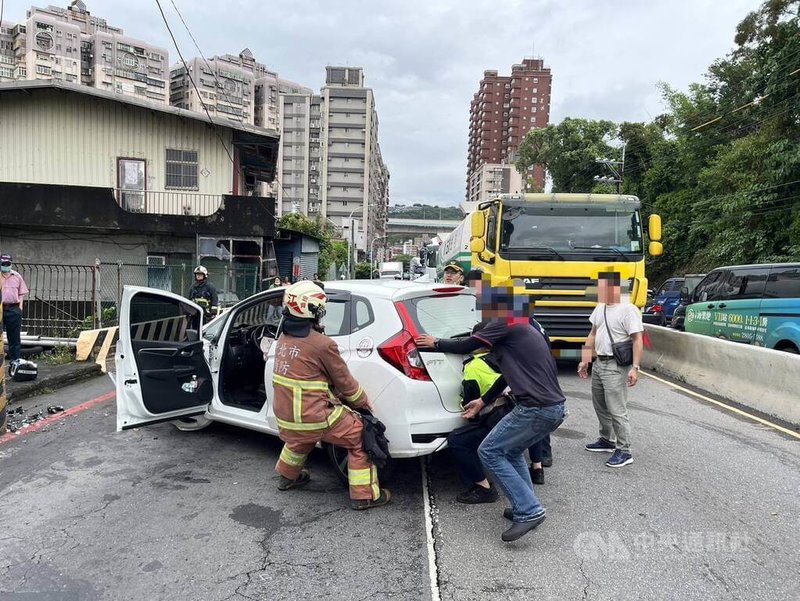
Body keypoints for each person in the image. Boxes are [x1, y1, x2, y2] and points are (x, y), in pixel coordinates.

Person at [417, 283, 566, 542]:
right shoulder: (520, 327)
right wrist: (483, 401)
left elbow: (468, 345)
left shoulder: (505, 321)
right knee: (511, 451)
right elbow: (504, 377)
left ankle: (529, 510)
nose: (477, 306)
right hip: (550, 407)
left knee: (490, 451)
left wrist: (435, 342)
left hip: (536, 408)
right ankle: (525, 504)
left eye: (480, 301)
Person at [273, 280, 391, 510]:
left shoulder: (283, 340)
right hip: (312, 417)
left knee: (300, 438)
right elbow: (344, 382)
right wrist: (362, 404)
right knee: (360, 437)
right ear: (313, 312)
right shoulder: (322, 344)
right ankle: (365, 496)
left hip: (286, 419)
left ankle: (287, 477)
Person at [578, 271, 643, 468]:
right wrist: (585, 359)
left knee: (617, 409)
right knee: (600, 405)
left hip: (615, 365)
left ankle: (624, 451)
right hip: (599, 363)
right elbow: (592, 333)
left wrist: (635, 368)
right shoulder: (601, 308)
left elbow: (637, 339)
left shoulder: (628, 309)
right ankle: (606, 440)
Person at [1, 254, 29, 364]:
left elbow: (21, 293)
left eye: (7, 263)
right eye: (3, 264)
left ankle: (15, 362)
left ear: (11, 263)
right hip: (0, 308)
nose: (5, 266)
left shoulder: (17, 276)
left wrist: (20, 307)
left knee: (14, 338)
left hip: (13, 309)